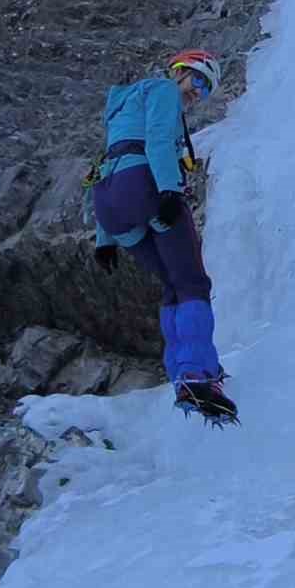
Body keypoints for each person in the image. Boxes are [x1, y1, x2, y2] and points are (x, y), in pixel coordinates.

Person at [91, 49, 238, 425]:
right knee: (193, 283)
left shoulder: (123, 107)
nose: (198, 93)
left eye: (206, 91)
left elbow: (104, 165)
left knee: (173, 286)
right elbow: (157, 140)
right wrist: (170, 190)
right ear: (180, 70)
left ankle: (181, 379)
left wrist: (104, 239)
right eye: (199, 80)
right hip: (145, 187)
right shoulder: (163, 91)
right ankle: (199, 375)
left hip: (111, 203)